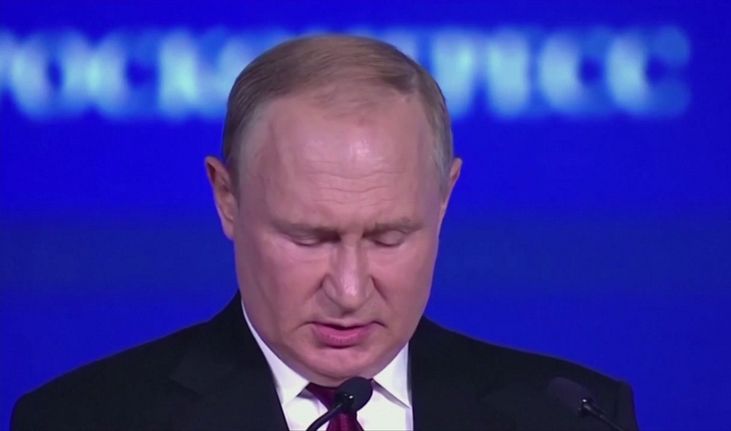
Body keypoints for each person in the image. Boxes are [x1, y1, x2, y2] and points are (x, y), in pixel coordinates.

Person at [11, 35, 638, 431]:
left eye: (389, 237)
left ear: (445, 198)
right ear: (227, 199)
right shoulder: (83, 419)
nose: (349, 290)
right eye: (309, 238)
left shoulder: (575, 418)